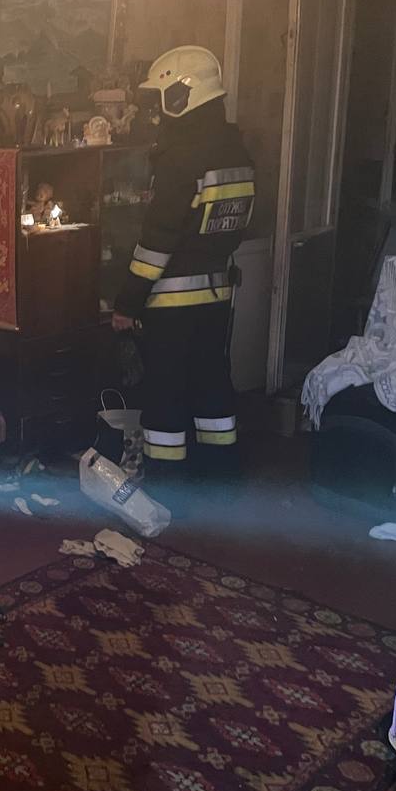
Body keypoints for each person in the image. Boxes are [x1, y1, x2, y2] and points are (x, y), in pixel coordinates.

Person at [112, 45, 255, 498]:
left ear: (182, 94)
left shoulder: (181, 158)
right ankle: (220, 476)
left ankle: (167, 487)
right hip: (217, 297)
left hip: (172, 303)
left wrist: (126, 303)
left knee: (166, 393)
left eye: (160, 100)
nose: (157, 112)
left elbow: (157, 242)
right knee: (213, 383)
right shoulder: (236, 151)